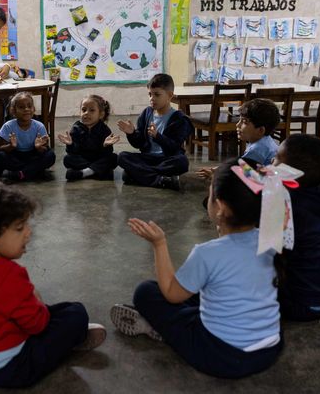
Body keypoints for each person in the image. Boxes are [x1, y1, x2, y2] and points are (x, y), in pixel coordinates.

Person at [111, 158, 282, 379]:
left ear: (219, 207)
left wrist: (159, 244)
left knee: (146, 292)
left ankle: (158, 328)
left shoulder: (208, 253)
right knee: (209, 291)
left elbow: (172, 294)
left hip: (222, 357)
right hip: (270, 349)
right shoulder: (271, 240)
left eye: (209, 194)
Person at [0, 184, 106, 388]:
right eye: (19, 228)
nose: (28, 233)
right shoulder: (10, 274)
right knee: (75, 313)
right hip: (11, 370)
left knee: (60, 311)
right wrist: (34, 295)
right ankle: (74, 339)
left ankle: (70, 337)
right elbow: (38, 324)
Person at [275, 134, 320, 321]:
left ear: (289, 174)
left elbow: (268, 252)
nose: (272, 165)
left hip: (301, 305)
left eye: (276, 161)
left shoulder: (285, 206)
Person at [116, 73, 190, 191]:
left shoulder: (179, 119)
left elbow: (174, 147)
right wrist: (131, 133)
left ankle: (138, 174)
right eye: (150, 94)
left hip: (167, 159)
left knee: (182, 162)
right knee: (122, 156)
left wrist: (157, 136)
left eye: (157, 94)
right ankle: (161, 179)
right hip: (148, 158)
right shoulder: (147, 113)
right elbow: (139, 144)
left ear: (170, 95)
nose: (152, 98)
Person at [196, 98, 280, 180]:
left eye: (244, 122)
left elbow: (240, 176)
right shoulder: (265, 140)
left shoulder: (257, 149)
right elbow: (238, 165)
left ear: (260, 130)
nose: (237, 125)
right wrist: (218, 169)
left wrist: (216, 177)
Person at [0, 92, 55, 182]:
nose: (26, 109)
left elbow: (44, 149)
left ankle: (21, 174)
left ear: (34, 109)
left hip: (33, 155)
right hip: (15, 156)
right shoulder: (8, 126)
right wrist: (11, 146)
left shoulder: (39, 126)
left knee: (50, 155)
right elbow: (1, 148)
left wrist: (39, 147)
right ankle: (31, 171)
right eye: (21, 107)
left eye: (29, 106)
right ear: (13, 111)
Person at [56, 94, 120, 181]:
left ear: (101, 115)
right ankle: (95, 171)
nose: (86, 113)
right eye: (83, 110)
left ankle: (83, 173)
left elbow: (107, 154)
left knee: (114, 158)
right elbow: (73, 152)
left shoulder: (104, 129)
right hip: (82, 159)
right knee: (67, 159)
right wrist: (70, 145)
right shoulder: (76, 128)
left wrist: (105, 146)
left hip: (98, 158)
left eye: (92, 110)